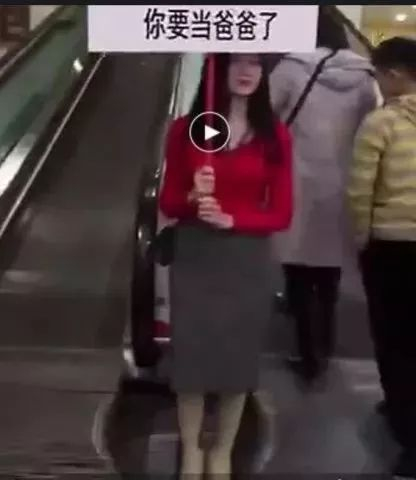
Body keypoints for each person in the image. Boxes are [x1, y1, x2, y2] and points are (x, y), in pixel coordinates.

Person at [159, 53, 293, 479]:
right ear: (217, 68)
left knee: (238, 359)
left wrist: (234, 218)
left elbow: (282, 213)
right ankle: (192, 452)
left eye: (255, 63)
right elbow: (168, 202)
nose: (246, 71)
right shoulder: (189, 130)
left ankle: (222, 451)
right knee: (192, 357)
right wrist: (192, 198)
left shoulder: (274, 135)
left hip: (247, 258)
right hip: (196, 254)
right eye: (235, 62)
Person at [268, 6, 377, 383]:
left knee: (298, 267)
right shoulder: (364, 76)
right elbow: (368, 123)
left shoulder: (291, 67)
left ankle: (307, 351)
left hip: (297, 178)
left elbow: (267, 114)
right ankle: (325, 345)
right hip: (342, 180)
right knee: (329, 271)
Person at [348, 37, 416, 478]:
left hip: (393, 248)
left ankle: (409, 435)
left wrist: (361, 241)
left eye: (377, 74)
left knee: (396, 342)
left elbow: (360, 190)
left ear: (393, 74)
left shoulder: (381, 123)